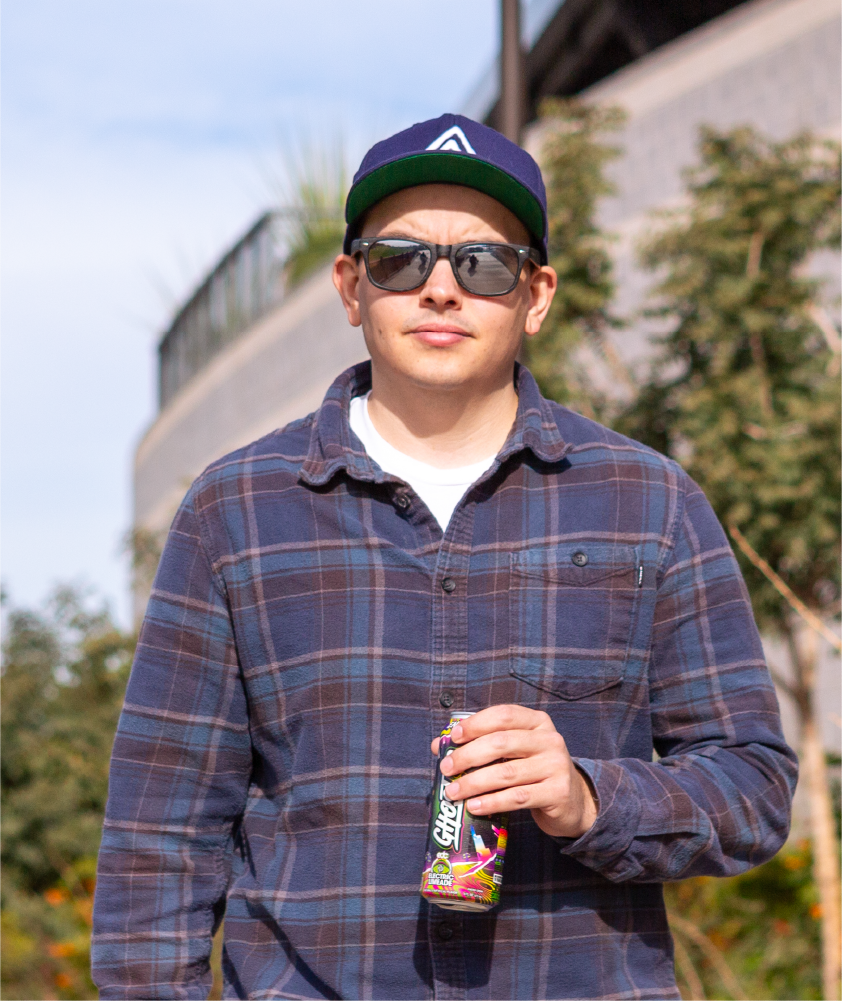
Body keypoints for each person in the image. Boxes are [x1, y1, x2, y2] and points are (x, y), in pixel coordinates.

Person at [92, 113, 797, 1001]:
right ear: (351, 287)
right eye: (400, 258)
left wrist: (588, 797)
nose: (440, 290)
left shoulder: (649, 501)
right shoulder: (236, 509)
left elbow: (754, 786)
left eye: (483, 263)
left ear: (535, 296)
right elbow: (158, 840)